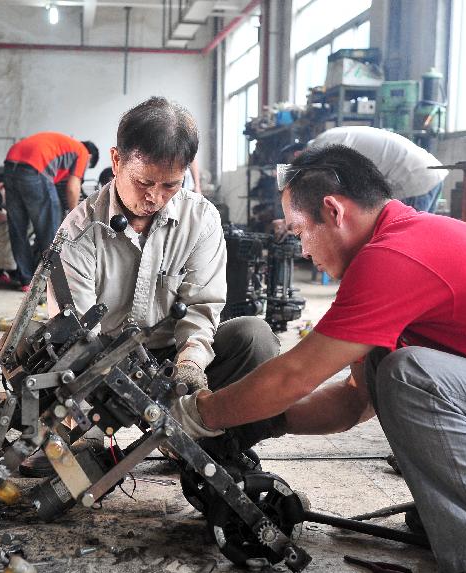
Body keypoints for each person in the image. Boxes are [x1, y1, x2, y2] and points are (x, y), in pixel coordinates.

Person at [170, 144, 466, 573]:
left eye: (300, 231)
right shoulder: (406, 240)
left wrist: (199, 415)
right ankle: (462, 517)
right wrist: (258, 424)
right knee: (385, 364)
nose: (301, 249)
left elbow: (293, 376)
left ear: (334, 210)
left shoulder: (395, 256)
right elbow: (353, 402)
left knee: (412, 375)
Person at [17, 97, 279, 476]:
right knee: (34, 349)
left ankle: (207, 437)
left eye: (171, 185)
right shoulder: (78, 230)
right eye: (143, 182)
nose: (154, 197)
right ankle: (85, 433)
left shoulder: (201, 219)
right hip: (100, 366)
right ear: (116, 160)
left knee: (255, 338)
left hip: (172, 360)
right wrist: (103, 394)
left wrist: (190, 360)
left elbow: (202, 307)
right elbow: (76, 333)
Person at [3, 133, 99, 288]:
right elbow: (73, 188)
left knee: (17, 229)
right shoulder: (81, 151)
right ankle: (53, 283)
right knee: (51, 230)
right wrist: (74, 215)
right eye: (87, 167)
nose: (84, 170)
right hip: (34, 168)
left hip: (10, 164)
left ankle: (26, 280)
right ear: (89, 157)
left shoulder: (64, 146)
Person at [307, 126, 447, 213]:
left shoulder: (321, 147)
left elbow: (331, 186)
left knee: (401, 244)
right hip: (429, 173)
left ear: (296, 154)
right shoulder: (331, 137)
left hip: (411, 180)